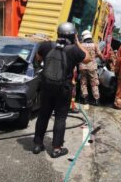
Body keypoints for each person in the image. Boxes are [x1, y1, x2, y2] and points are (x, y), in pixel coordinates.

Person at [33, 22, 91, 157]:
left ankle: (37, 144)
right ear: (73, 35)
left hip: (46, 86)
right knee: (60, 117)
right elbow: (87, 58)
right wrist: (77, 42)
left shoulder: (47, 45)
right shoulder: (73, 49)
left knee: (43, 115)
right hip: (63, 88)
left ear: (58, 33)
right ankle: (56, 149)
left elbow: (38, 57)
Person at [79, 30, 104, 105]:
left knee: (83, 83)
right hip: (92, 66)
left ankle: (85, 99)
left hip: (82, 66)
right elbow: (99, 54)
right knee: (94, 83)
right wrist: (103, 60)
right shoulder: (95, 45)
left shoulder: (81, 45)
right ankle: (96, 100)